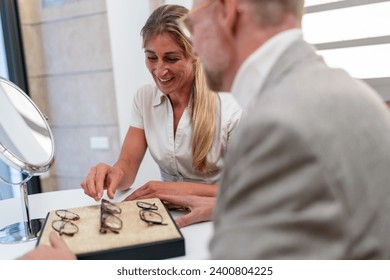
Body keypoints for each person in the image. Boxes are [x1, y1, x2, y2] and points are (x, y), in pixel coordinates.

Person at [165, 0, 390, 259]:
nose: (194, 47)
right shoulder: (352, 92)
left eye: (192, 24)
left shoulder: (276, 125)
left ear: (227, 11)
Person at [81, 3, 242, 227]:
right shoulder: (144, 98)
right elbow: (127, 164)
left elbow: (246, 190)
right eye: (151, 57)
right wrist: (112, 173)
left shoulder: (230, 106)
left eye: (172, 58)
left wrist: (170, 189)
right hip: (166, 219)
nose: (160, 70)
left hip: (219, 219)